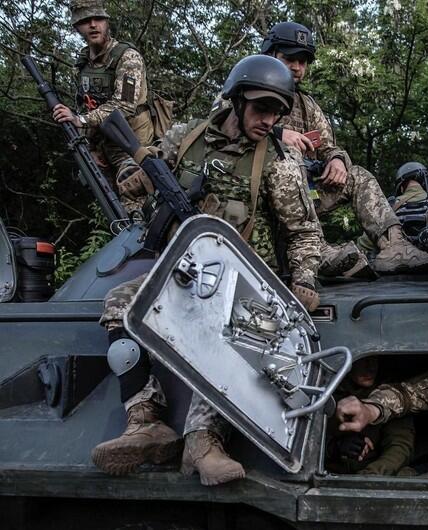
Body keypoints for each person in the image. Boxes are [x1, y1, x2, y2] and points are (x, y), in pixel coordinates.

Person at [90, 55, 323, 486]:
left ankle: (203, 442)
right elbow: (149, 170)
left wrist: (304, 279)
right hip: (182, 268)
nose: (268, 120)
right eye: (261, 108)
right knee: (119, 302)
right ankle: (145, 420)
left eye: (276, 113)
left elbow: (305, 232)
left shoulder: (280, 163)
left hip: (243, 280)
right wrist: (136, 175)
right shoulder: (187, 135)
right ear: (236, 101)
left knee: (228, 339)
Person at [259, 22, 428, 274]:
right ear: (270, 54)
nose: (296, 67)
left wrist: (337, 160)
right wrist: (277, 134)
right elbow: (222, 128)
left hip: (307, 191)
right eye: (289, 59)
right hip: (265, 191)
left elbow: (328, 146)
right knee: (291, 158)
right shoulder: (248, 87)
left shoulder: (306, 105)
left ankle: (394, 246)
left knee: (358, 176)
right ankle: (318, 251)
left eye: (302, 61)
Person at [52, 0, 155, 211]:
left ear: (106, 22)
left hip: (132, 145)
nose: (93, 25)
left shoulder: (128, 57)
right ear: (76, 27)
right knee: (109, 209)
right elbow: (85, 104)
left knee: (137, 209)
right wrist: (90, 147)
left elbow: (124, 105)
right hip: (102, 148)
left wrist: (80, 120)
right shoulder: (83, 63)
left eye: (98, 19)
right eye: (85, 21)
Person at [326, 357, 415, 476]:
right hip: (329, 473)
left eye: (375, 359)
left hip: (372, 474)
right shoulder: (325, 391)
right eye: (364, 360)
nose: (371, 368)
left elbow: (399, 447)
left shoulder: (391, 396)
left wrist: (368, 475)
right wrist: (334, 447)